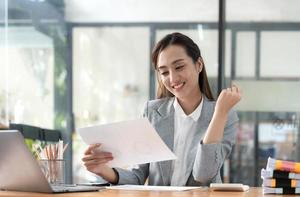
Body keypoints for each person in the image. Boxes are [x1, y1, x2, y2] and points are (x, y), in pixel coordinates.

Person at [82, 32, 241, 186]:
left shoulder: (224, 115)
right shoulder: (152, 112)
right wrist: (103, 170)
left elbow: (204, 174)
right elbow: (137, 175)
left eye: (179, 67)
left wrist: (219, 113)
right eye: (164, 72)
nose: (172, 78)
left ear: (198, 65)